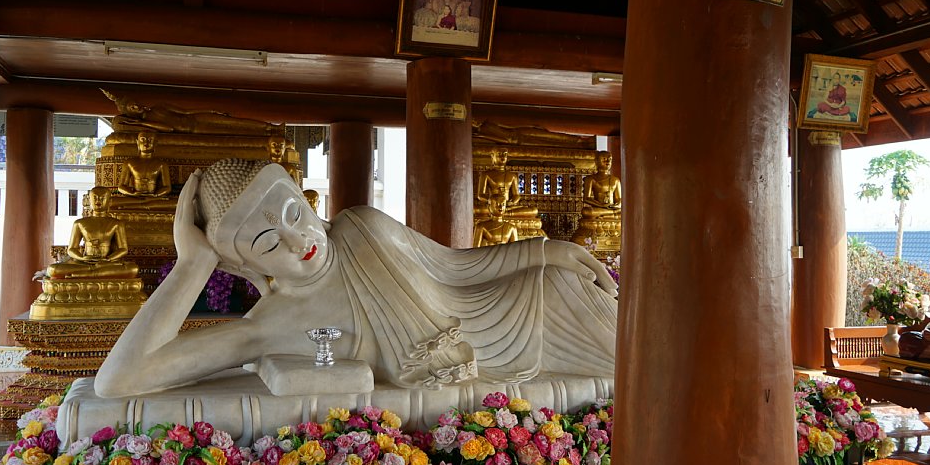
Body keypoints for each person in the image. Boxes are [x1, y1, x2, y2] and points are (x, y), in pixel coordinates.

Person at [93, 160, 617, 398]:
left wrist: (549, 250)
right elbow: (120, 380)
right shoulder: (270, 325)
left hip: (509, 314)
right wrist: (192, 265)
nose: (298, 241)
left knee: (572, 291)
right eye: (270, 244)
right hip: (491, 359)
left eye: (294, 215)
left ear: (309, 203)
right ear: (248, 267)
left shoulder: (360, 226)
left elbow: (458, 267)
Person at [42, 188, 142, 280]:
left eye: (102, 198)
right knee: (53, 269)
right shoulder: (79, 223)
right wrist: (82, 258)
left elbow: (123, 249)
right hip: (85, 262)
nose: (98, 201)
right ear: (89, 201)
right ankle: (93, 272)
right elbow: (71, 249)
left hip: (106, 263)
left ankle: (84, 274)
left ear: (109, 201)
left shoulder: (116, 223)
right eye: (95, 198)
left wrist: (108, 259)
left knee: (133, 269)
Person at [102, 89, 276, 136]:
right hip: (193, 129)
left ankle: (271, 127)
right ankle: (266, 133)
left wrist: (211, 110)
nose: (137, 107)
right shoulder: (150, 124)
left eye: (135, 104)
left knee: (235, 122)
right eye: (132, 108)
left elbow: (186, 111)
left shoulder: (159, 107)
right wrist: (141, 123)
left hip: (196, 118)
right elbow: (169, 129)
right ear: (129, 113)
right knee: (234, 132)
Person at [111, 132, 177, 210]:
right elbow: (121, 187)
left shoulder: (161, 164)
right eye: (143, 140)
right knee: (111, 202)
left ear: (155, 143)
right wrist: (133, 194)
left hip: (153, 198)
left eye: (150, 140)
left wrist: (155, 195)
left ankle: (133, 206)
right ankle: (144, 204)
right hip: (135, 198)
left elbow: (167, 187)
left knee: (176, 203)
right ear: (137, 142)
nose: (146, 143)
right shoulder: (129, 162)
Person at [474, 148, 539, 225]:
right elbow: (480, 195)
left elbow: (516, 195)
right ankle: (503, 215)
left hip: (507, 206)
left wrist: (511, 202)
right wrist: (491, 202)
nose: (503, 157)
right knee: (476, 210)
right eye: (499, 154)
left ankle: (503, 215)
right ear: (492, 157)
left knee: (534, 210)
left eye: (505, 154)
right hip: (492, 207)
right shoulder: (486, 174)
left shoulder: (512, 175)